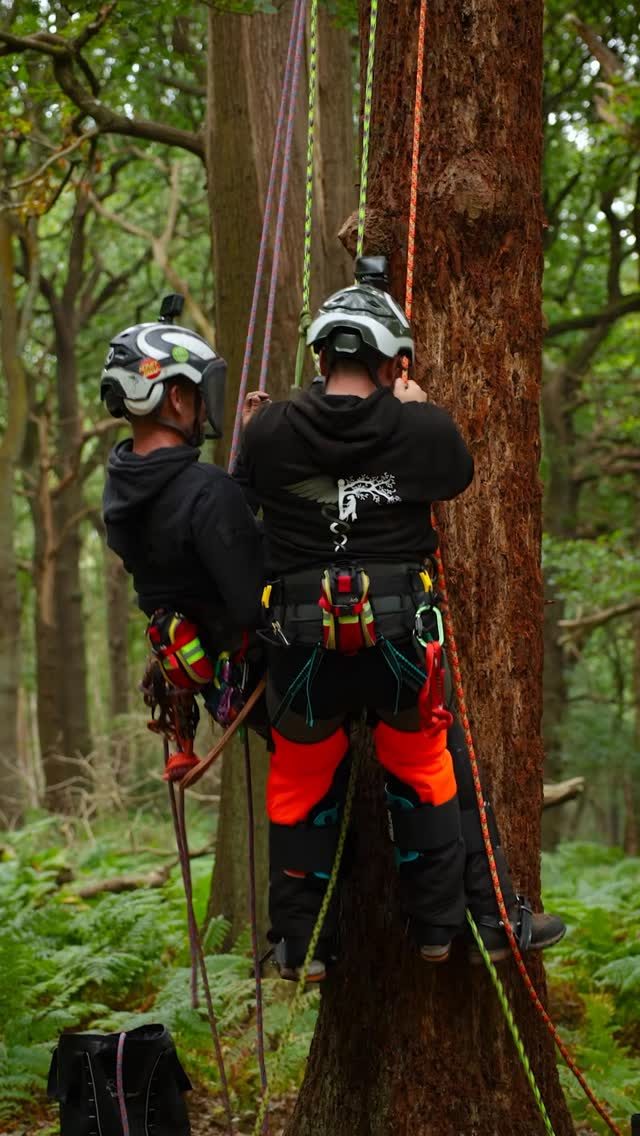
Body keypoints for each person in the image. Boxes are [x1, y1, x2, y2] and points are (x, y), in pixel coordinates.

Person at [236, 274, 566, 981]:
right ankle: (439, 931)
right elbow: (454, 477)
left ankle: (301, 944)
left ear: (322, 357)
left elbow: (246, 485)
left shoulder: (269, 428)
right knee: (422, 769)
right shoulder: (420, 425)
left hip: (300, 647)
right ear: (393, 363)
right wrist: (418, 406)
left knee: (300, 777)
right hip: (398, 642)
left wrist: (262, 427)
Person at [101, 301, 264, 739]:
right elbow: (251, 603)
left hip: (214, 681)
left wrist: (245, 459)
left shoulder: (120, 491)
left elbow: (205, 530)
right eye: (195, 394)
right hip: (265, 681)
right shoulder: (204, 490)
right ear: (176, 397)